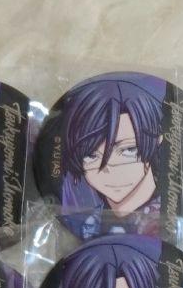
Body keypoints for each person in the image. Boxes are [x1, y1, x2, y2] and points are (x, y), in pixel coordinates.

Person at [59, 76, 165, 238]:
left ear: (157, 141)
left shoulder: (172, 220)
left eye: (129, 149)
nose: (109, 170)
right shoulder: (86, 223)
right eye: (91, 155)